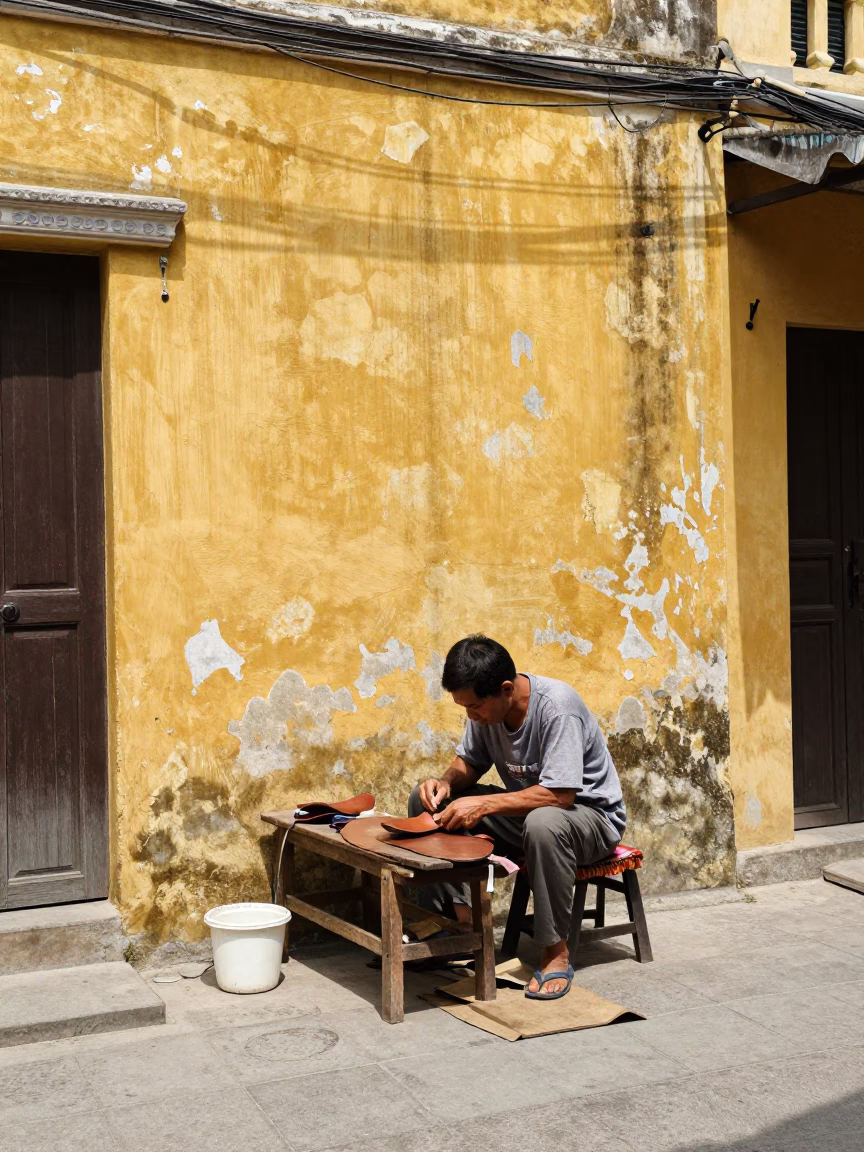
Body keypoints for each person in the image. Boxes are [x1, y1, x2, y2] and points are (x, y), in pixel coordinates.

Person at [409, 633, 625, 1000]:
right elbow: (471, 761)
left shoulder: (557, 707)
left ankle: (555, 951)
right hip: (529, 813)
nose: (471, 715)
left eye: (475, 706)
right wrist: (445, 783)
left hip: (589, 819)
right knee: (426, 803)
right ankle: (461, 928)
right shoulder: (485, 709)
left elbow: (560, 796)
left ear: (506, 689)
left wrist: (484, 806)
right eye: (465, 707)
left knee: (544, 823)